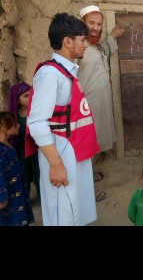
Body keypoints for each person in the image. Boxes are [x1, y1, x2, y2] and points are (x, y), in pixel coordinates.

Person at [26, 12, 98, 226]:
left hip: (74, 150)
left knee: (75, 206)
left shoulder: (66, 72)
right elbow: (37, 122)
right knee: (63, 212)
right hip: (61, 152)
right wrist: (56, 164)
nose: (86, 45)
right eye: (82, 40)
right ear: (67, 41)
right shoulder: (50, 75)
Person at [77, 5, 125, 202]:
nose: (96, 28)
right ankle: (85, 192)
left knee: (94, 146)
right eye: (91, 23)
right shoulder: (77, 46)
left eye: (99, 24)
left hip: (99, 107)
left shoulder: (94, 46)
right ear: (82, 23)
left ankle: (87, 176)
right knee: (85, 147)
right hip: (85, 109)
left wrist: (113, 36)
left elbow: (102, 51)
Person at [0, 111, 34, 226]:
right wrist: (1, 196)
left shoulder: (8, 145)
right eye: (15, 123)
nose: (18, 125)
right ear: (4, 127)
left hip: (16, 191)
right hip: (7, 198)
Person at [8, 82, 40, 199]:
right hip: (22, 153)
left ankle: (44, 202)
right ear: (17, 100)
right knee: (24, 179)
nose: (30, 97)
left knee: (40, 178)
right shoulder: (14, 117)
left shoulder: (38, 112)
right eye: (25, 96)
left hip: (38, 151)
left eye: (31, 93)